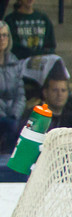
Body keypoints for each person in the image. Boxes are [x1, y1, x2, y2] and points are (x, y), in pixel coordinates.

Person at [0, 20, 23, 153]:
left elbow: (20, 94)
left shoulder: (14, 61)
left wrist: (15, 114)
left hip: (12, 116)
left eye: (4, 35)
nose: (2, 39)